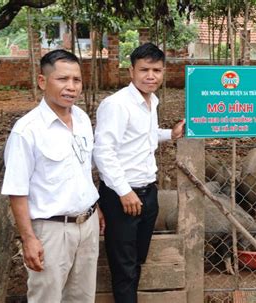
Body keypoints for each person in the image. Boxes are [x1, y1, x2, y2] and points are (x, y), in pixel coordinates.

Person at [1, 49, 103, 302]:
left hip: (87, 226)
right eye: (62, 79)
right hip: (51, 231)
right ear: (42, 81)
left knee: (82, 297)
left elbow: (82, 170)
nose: (71, 87)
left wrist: (94, 207)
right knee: (47, 297)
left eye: (76, 80)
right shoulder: (27, 130)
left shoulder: (80, 119)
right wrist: (28, 239)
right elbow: (17, 190)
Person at [93, 42, 185, 303]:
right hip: (122, 195)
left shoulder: (151, 101)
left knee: (137, 259)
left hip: (148, 192)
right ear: (131, 71)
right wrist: (124, 191)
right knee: (124, 267)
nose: (151, 76)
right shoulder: (117, 104)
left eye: (156, 70)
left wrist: (171, 134)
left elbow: (142, 137)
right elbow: (104, 151)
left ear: (163, 71)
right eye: (144, 69)